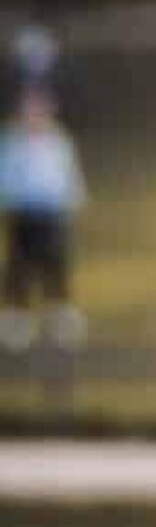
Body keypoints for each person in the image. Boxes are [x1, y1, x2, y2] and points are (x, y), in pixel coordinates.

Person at [0, 86, 89, 351]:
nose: (35, 117)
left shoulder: (59, 143)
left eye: (40, 111)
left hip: (52, 215)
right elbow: (5, 177)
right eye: (29, 111)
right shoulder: (11, 143)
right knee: (20, 267)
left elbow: (69, 175)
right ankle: (17, 319)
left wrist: (74, 199)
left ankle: (60, 315)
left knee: (56, 265)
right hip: (23, 214)